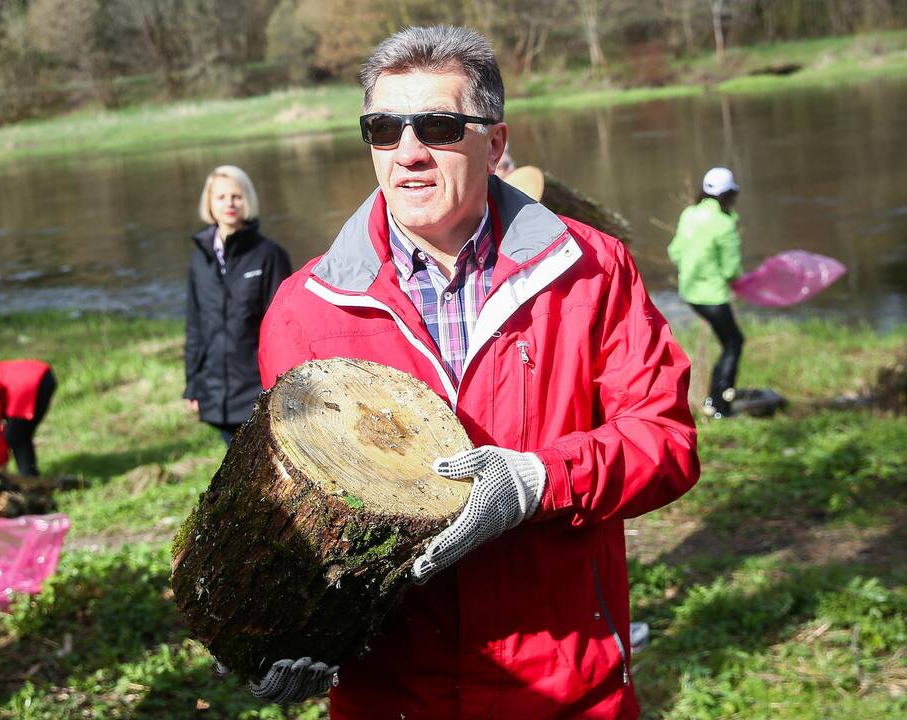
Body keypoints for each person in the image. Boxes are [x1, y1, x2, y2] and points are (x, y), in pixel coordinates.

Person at [254, 26, 699, 719]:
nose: (407, 153)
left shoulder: (592, 269)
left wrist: (538, 481)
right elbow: (294, 505)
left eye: (437, 126)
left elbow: (664, 440)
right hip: (393, 697)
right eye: (383, 128)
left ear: (494, 144)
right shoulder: (302, 310)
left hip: (565, 684)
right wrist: (286, 618)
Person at [183, 165, 292, 445]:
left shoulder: (270, 255)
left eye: (236, 196)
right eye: (221, 197)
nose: (229, 203)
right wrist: (193, 384)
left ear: (248, 200)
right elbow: (195, 324)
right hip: (215, 391)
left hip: (257, 389)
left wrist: (278, 385)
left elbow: (282, 329)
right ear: (209, 203)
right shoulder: (200, 259)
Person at [668, 167, 745, 419]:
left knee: (728, 341)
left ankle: (716, 399)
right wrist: (738, 281)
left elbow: (675, 252)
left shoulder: (689, 214)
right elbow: (731, 269)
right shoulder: (724, 223)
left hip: (690, 293)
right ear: (729, 194)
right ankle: (720, 403)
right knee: (734, 343)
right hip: (713, 296)